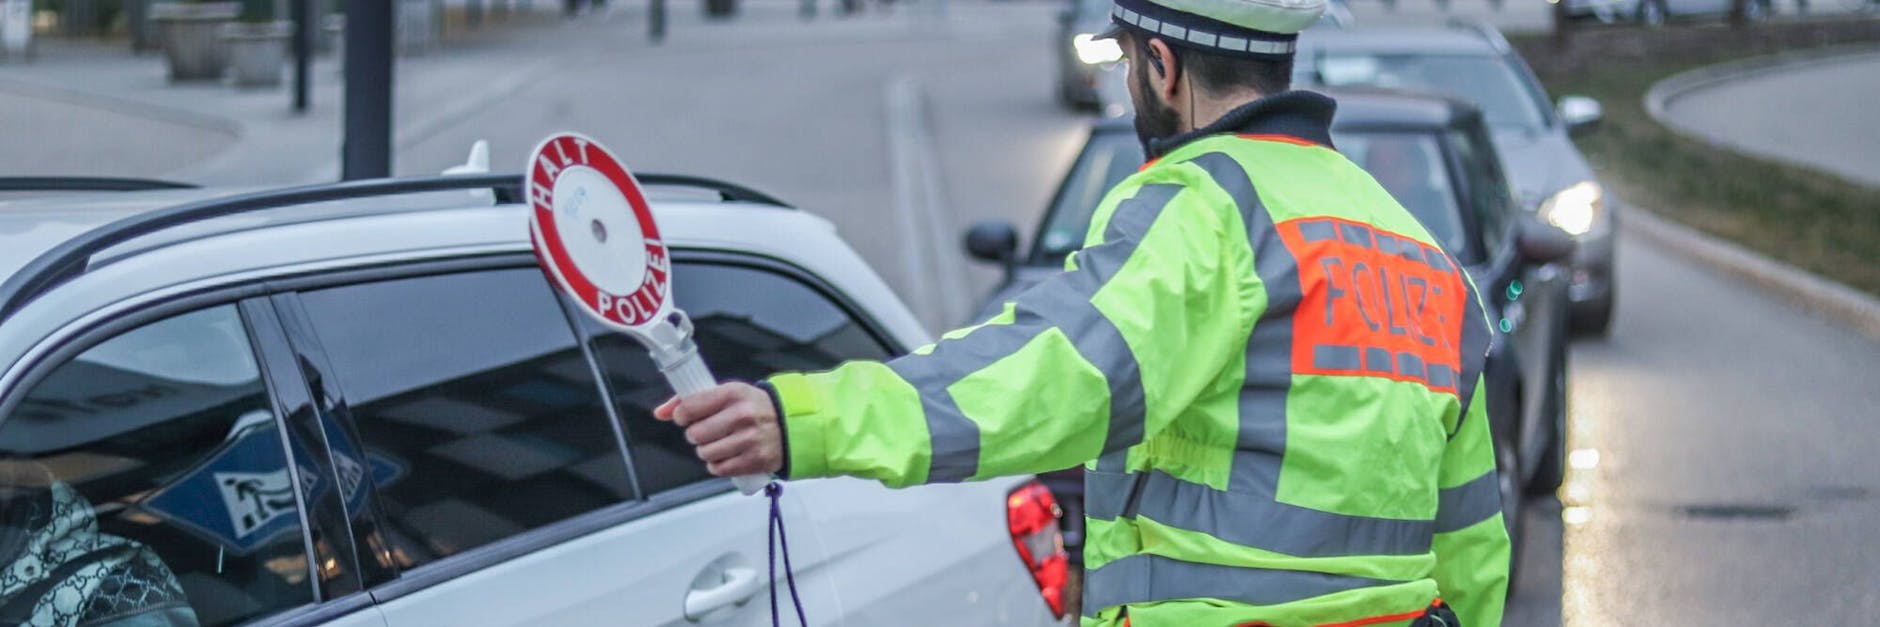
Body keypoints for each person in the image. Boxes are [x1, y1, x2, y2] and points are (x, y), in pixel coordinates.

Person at [655, 0, 1512, 622]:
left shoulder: (1208, 207)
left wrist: (806, 417)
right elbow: (1474, 538)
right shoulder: (1420, 253)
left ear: (1162, 68)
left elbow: (1053, 376)